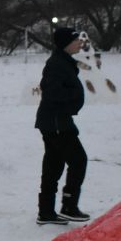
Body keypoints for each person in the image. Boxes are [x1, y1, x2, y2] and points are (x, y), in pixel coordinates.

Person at [35, 26, 90, 224]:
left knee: (54, 164)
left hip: (55, 121)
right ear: (66, 43)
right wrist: (74, 96)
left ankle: (46, 212)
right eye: (75, 40)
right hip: (56, 122)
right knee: (78, 160)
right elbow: (51, 92)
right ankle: (69, 205)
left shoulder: (63, 61)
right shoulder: (57, 64)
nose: (79, 43)